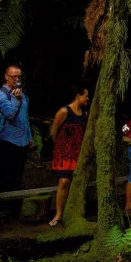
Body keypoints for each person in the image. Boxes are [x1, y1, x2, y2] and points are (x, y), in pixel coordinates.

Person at [48, 86, 90, 227]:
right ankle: (58, 213)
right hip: (63, 152)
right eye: (86, 96)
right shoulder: (64, 111)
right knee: (64, 181)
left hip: (77, 153)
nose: (87, 99)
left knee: (75, 182)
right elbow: (53, 132)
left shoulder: (85, 114)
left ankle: (72, 211)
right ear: (78, 96)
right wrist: (61, 147)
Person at [0, 64, 33, 194]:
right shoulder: (0, 95)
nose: (17, 80)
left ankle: (13, 209)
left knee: (17, 176)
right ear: (6, 77)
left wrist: (29, 136)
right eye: (13, 77)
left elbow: (24, 117)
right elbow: (10, 114)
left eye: (19, 77)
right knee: (4, 176)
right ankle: (0, 208)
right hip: (6, 141)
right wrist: (16, 99)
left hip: (22, 141)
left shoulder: (23, 94)